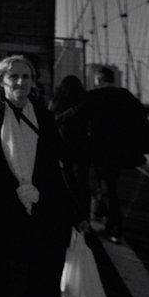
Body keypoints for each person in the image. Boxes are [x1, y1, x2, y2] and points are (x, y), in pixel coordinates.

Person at [0, 55, 79, 297]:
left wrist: (74, 210)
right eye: (13, 76)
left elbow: (56, 162)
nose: (20, 82)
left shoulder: (42, 115)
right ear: (0, 81)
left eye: (26, 77)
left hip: (40, 206)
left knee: (41, 274)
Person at [86, 66, 149, 243]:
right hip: (122, 151)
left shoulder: (93, 97)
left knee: (108, 186)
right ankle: (102, 210)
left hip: (99, 150)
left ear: (98, 80)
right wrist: (146, 148)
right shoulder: (127, 97)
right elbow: (142, 123)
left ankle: (114, 228)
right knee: (109, 183)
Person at [49, 75, 91, 221]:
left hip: (63, 144)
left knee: (67, 179)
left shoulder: (57, 101)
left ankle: (70, 213)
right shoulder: (85, 102)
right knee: (83, 181)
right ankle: (84, 217)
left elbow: (51, 121)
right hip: (83, 145)